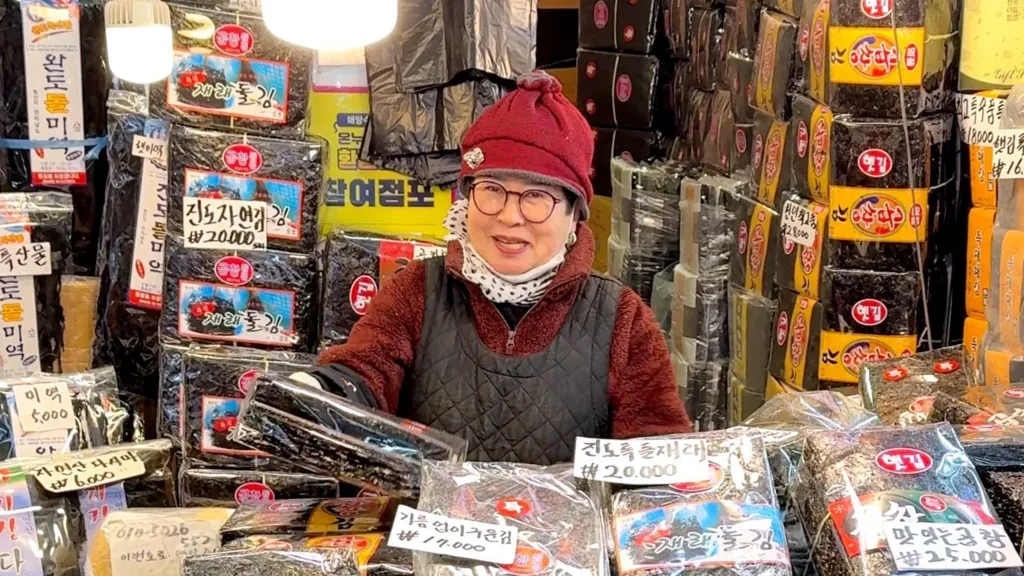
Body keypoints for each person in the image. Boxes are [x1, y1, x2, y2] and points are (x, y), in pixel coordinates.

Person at [306, 71, 691, 464]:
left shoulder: (622, 318)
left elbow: (655, 453)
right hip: (436, 525)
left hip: (566, 526)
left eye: (536, 197)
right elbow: (365, 370)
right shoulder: (417, 289)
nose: (509, 216)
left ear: (575, 212)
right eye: (491, 190)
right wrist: (320, 389)